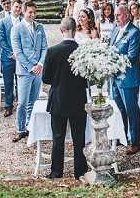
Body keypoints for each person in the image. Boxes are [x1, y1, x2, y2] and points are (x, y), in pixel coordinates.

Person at [42, 17, 89, 180]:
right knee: (79, 138)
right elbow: (87, 79)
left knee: (58, 137)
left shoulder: (52, 51)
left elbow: (46, 79)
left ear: (61, 30)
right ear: (75, 30)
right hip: (78, 99)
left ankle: (56, 172)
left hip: (59, 99)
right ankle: (80, 171)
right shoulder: (83, 51)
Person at [11, 1, 48, 142]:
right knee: (22, 102)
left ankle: (30, 127)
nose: (32, 15)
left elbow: (45, 47)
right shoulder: (17, 29)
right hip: (25, 71)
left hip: (38, 70)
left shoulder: (40, 27)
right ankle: (20, 129)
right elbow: (18, 52)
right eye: (29, 12)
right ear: (24, 12)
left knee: (33, 101)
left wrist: (40, 64)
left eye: (34, 12)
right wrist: (30, 66)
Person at [109, 5, 140, 154]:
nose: (116, 17)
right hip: (114, 78)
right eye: (115, 15)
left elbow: (132, 57)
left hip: (128, 79)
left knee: (131, 110)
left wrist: (113, 65)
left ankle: (134, 142)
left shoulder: (134, 33)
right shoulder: (115, 30)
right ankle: (123, 136)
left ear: (127, 15)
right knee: (119, 109)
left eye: (119, 15)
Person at [0, 0, 22, 117]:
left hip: (21, 58)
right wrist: (11, 52)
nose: (18, 9)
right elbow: (1, 39)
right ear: (11, 7)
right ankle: (8, 106)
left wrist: (20, 54)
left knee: (21, 81)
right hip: (8, 57)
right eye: (16, 7)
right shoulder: (3, 21)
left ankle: (21, 104)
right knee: (8, 82)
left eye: (19, 7)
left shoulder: (24, 21)